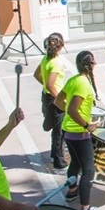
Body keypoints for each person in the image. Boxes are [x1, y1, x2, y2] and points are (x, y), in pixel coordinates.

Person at [54, 51, 105, 210]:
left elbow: (58, 101)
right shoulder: (83, 83)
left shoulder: (73, 80)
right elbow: (71, 109)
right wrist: (86, 125)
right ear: (89, 64)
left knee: (75, 163)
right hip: (79, 132)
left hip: (68, 131)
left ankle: (72, 191)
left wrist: (71, 117)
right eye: (94, 61)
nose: (95, 64)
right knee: (88, 170)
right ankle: (85, 208)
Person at [34, 32, 67, 169]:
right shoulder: (56, 63)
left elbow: (36, 75)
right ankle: (59, 161)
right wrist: (61, 100)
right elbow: (50, 84)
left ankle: (54, 153)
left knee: (54, 128)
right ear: (61, 46)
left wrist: (45, 85)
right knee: (60, 130)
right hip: (54, 99)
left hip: (46, 97)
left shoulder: (45, 59)